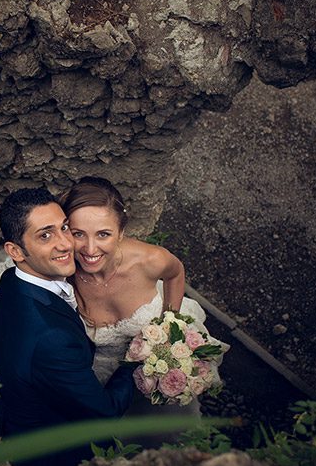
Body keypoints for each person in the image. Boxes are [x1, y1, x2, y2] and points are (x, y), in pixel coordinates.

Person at [60, 176, 226, 444]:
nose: (90, 249)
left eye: (103, 234)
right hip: (103, 375)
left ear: (121, 232)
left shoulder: (150, 260)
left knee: (167, 429)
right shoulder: (60, 270)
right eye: (78, 234)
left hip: (156, 371)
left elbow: (176, 272)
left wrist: (171, 321)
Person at [0, 187, 137, 466]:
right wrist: (139, 360)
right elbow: (105, 414)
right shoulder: (51, 340)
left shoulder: (12, 280)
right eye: (45, 235)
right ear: (15, 251)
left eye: (64, 228)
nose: (66, 244)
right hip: (54, 455)